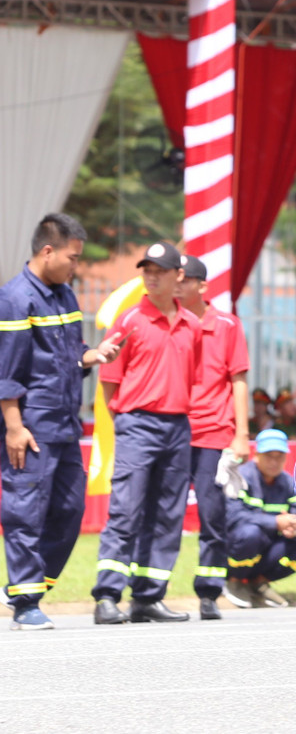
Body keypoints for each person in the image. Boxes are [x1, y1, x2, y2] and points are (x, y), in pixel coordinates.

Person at [1, 214, 120, 631]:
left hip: (67, 424)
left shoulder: (65, 295)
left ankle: (26, 587)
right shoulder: (15, 299)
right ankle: (25, 601)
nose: (76, 266)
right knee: (24, 513)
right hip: (30, 428)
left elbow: (67, 355)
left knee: (70, 510)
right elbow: (7, 373)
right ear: (47, 251)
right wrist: (14, 427)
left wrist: (93, 355)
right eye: (72, 257)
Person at [92, 241, 203, 625]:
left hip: (177, 426)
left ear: (178, 277)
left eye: (159, 270)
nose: (151, 276)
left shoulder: (192, 325)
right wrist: (124, 419)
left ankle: (148, 596)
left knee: (167, 515)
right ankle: (107, 595)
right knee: (125, 511)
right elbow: (109, 381)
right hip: (137, 424)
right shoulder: (129, 321)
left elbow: (193, 376)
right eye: (146, 270)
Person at [175, 253, 250, 621]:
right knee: (164, 514)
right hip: (174, 431)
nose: (176, 284)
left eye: (183, 278)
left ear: (201, 285)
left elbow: (238, 381)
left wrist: (242, 435)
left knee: (212, 515)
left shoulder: (227, 324)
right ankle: (151, 591)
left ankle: (208, 592)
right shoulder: (170, 322)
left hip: (213, 433)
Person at [224, 428, 296, 608]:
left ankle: (259, 582)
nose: (274, 462)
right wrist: (275, 522)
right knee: (251, 533)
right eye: (269, 455)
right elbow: (233, 517)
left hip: (269, 545)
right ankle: (234, 580)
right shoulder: (241, 477)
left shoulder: (289, 482)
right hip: (238, 543)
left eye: (279, 456)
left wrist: (294, 528)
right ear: (257, 455)